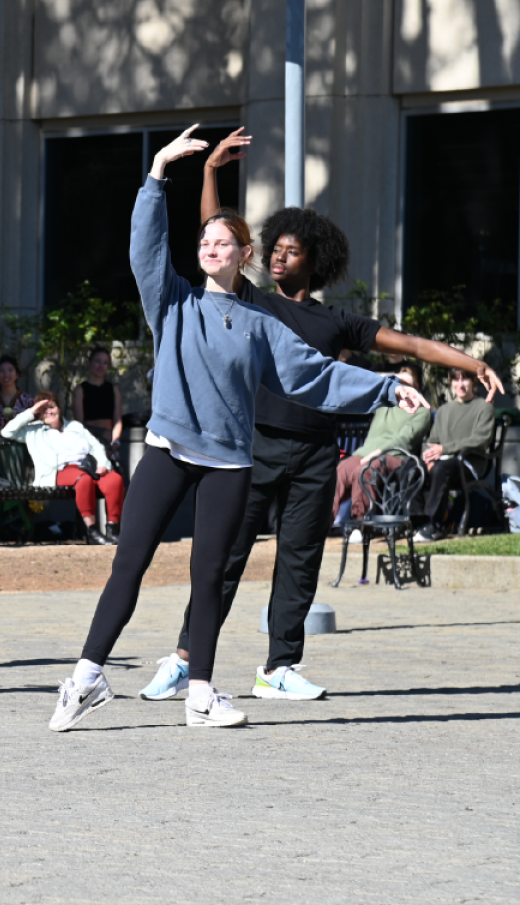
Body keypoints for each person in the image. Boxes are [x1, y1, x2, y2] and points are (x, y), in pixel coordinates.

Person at [49, 127, 424, 732]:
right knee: (130, 564)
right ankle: (86, 677)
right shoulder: (171, 300)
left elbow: (317, 378)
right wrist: (157, 173)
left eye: (222, 241)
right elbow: (145, 247)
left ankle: (200, 694)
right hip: (169, 451)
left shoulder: (262, 325)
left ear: (243, 254)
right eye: (204, 239)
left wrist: (387, 385)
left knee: (210, 576)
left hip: (228, 462)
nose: (209, 246)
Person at [138, 127, 504, 703]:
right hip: (253, 446)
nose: (280, 256)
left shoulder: (340, 324)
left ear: (316, 261)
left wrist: (473, 363)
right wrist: (210, 171)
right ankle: (185, 658)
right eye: (274, 248)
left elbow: (408, 346)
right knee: (225, 557)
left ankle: (278, 667)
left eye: (292, 251)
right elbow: (218, 234)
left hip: (314, 453)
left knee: (301, 559)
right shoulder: (253, 300)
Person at [2, 393, 124, 547]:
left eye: (52, 407)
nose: (49, 412)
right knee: (83, 479)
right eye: (43, 409)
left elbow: (96, 446)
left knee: (115, 479)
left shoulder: (75, 426)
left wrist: (103, 464)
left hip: (87, 468)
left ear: (59, 408)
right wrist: (31, 411)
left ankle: (113, 531)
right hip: (59, 471)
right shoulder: (33, 431)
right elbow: (6, 432)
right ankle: (92, 532)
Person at [331, 365, 429, 532]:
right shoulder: (384, 404)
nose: (402, 384)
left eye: (407, 381)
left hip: (396, 456)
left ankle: (360, 524)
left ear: (417, 386)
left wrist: (379, 451)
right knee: (339, 472)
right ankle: (321, 523)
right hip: (364, 454)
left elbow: (405, 438)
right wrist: (393, 376)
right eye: (399, 380)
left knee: (365, 470)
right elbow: (366, 379)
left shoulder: (421, 411)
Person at [414, 368, 499, 539]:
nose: (460, 384)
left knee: (442, 469)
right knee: (411, 468)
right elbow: (432, 440)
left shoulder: (483, 408)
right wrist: (429, 457)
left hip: (469, 464)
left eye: (464, 380)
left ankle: (435, 524)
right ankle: (416, 521)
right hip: (443, 461)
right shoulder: (444, 410)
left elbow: (480, 440)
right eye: (456, 380)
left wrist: (444, 449)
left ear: (473, 382)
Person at [72, 347, 124, 453]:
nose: (101, 366)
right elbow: (79, 422)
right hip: (90, 436)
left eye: (105, 363)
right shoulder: (80, 389)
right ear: (89, 362)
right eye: (97, 361)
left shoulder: (113, 389)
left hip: (109, 437)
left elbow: (117, 419)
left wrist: (115, 442)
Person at [0, 355, 33, 436]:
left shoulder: (27, 401)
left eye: (10, 370)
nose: (6, 374)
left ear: (17, 374)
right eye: (1, 371)